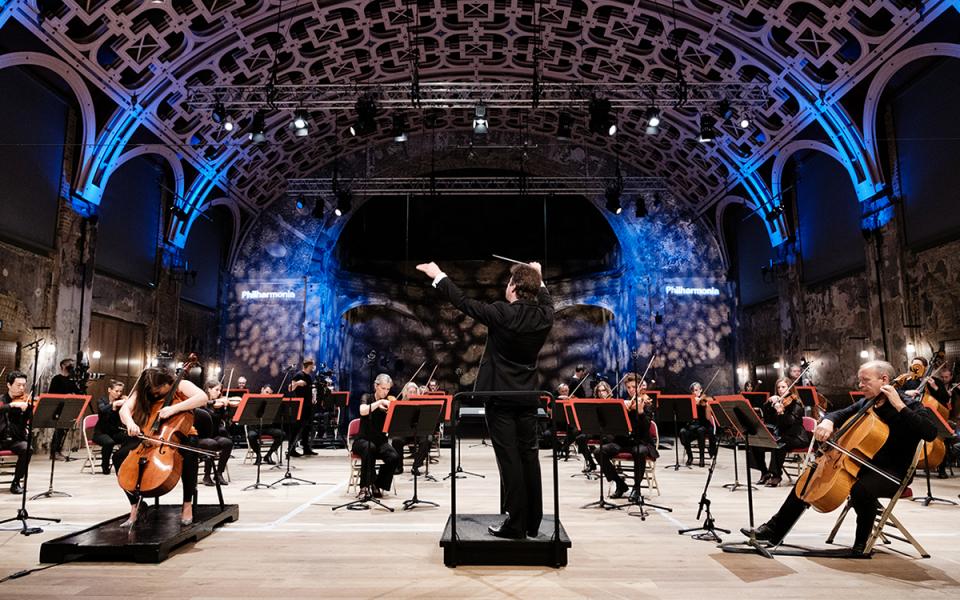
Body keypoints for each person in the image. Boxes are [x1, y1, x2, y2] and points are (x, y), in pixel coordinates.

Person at [417, 259, 554, 539]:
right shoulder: (544, 315)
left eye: (509, 282)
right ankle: (532, 522)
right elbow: (546, 297)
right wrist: (539, 277)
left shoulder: (501, 313)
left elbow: (464, 302)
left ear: (514, 287)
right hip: (528, 396)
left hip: (501, 398)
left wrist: (438, 274)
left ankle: (516, 525)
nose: (506, 286)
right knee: (529, 456)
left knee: (510, 460)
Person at [743, 360, 938, 555]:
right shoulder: (868, 403)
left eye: (865, 381)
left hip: (891, 472)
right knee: (809, 478)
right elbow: (839, 413)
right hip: (861, 464)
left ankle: (862, 543)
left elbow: (929, 432)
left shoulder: (910, 404)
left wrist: (898, 404)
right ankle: (774, 530)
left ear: (884, 379)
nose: (860, 386)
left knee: (861, 489)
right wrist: (828, 421)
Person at [114, 367, 209, 526]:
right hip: (150, 434)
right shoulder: (146, 391)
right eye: (153, 390)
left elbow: (203, 398)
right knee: (118, 457)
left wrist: (173, 408)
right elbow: (125, 409)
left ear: (168, 382)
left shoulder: (180, 385)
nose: (155, 393)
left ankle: (187, 504)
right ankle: (135, 506)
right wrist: (130, 423)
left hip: (181, 433)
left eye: (158, 389)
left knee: (189, 457)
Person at [595, 375, 658, 502]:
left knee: (638, 451)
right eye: (628, 387)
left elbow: (646, 428)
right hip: (623, 441)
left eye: (634, 387)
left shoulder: (647, 403)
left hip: (642, 442)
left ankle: (636, 488)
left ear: (640, 386)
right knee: (599, 452)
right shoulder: (625, 403)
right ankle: (620, 483)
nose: (631, 389)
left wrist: (640, 412)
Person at [748, 378, 810, 487]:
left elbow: (789, 422)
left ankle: (776, 476)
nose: (780, 390)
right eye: (778, 387)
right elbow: (768, 420)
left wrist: (781, 412)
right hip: (782, 435)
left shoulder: (796, 403)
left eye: (783, 387)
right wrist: (769, 404)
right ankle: (764, 472)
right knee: (756, 443)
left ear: (790, 388)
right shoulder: (778, 402)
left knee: (779, 444)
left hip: (796, 437)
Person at [355, 373, 401, 498]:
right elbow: (362, 411)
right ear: (376, 386)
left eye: (388, 389)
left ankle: (377, 484)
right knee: (369, 448)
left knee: (394, 457)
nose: (385, 392)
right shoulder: (367, 397)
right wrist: (379, 402)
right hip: (363, 440)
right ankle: (364, 487)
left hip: (380, 441)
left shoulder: (389, 403)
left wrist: (393, 411)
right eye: (383, 388)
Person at [197, 380, 236, 486]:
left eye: (220, 390)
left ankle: (218, 474)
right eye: (216, 390)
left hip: (214, 435)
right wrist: (214, 402)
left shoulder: (219, 405)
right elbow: (203, 405)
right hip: (201, 436)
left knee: (227, 443)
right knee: (211, 444)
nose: (219, 393)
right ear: (208, 389)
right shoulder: (201, 402)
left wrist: (225, 407)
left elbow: (224, 420)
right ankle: (207, 475)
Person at [1, 371, 32, 493]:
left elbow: (32, 421)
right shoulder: (2, 400)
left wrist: (30, 410)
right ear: (9, 385)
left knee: (27, 448)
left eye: (24, 385)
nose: (22, 388)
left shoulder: (25, 401)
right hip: (0, 439)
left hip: (15, 440)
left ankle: (16, 482)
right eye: (18, 385)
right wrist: (12, 406)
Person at [92, 380, 129, 475]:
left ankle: (119, 459)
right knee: (109, 442)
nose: (119, 393)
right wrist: (113, 405)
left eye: (121, 391)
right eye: (116, 391)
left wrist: (129, 402)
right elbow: (103, 411)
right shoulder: (102, 401)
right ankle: (105, 465)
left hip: (115, 433)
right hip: (101, 433)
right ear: (109, 390)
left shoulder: (121, 402)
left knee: (131, 438)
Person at [48, 357, 81, 459]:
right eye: (69, 364)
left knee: (63, 431)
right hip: (58, 408)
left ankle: (58, 450)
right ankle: (54, 452)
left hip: (68, 408)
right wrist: (65, 395)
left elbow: (77, 392)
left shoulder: (72, 380)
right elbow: (51, 394)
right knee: (58, 431)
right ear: (63, 366)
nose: (72, 367)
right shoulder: (56, 379)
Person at [679, 381, 717, 467]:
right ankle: (690, 456)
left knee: (701, 430)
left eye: (697, 390)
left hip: (704, 425)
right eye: (694, 390)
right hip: (693, 426)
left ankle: (702, 458)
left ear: (701, 390)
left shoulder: (704, 400)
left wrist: (707, 405)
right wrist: (696, 401)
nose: (696, 392)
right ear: (691, 392)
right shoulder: (690, 402)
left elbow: (707, 418)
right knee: (682, 432)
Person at [287, 359, 318, 456]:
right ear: (309, 365)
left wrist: (313, 398)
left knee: (307, 428)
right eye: (313, 365)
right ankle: (291, 449)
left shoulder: (308, 376)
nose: (313, 367)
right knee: (297, 428)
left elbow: (310, 389)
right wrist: (297, 383)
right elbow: (290, 388)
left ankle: (306, 448)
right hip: (300, 406)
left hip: (308, 405)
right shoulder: (298, 375)